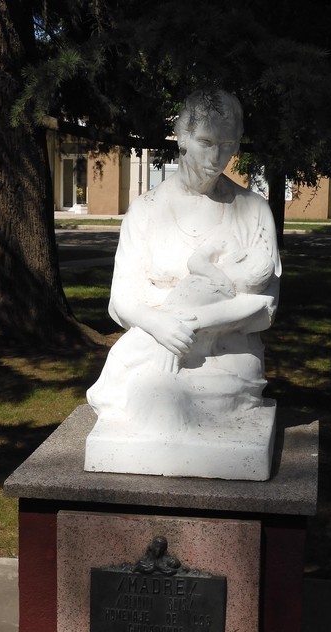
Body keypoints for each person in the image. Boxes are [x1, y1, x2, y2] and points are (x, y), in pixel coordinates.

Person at [87, 89, 281, 434]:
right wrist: (159, 325)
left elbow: (265, 305)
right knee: (153, 399)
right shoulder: (145, 211)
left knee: (164, 402)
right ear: (182, 138)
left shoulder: (254, 210)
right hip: (152, 342)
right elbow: (121, 298)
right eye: (206, 141)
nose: (217, 156)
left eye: (228, 144)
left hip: (225, 356)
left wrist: (193, 322)